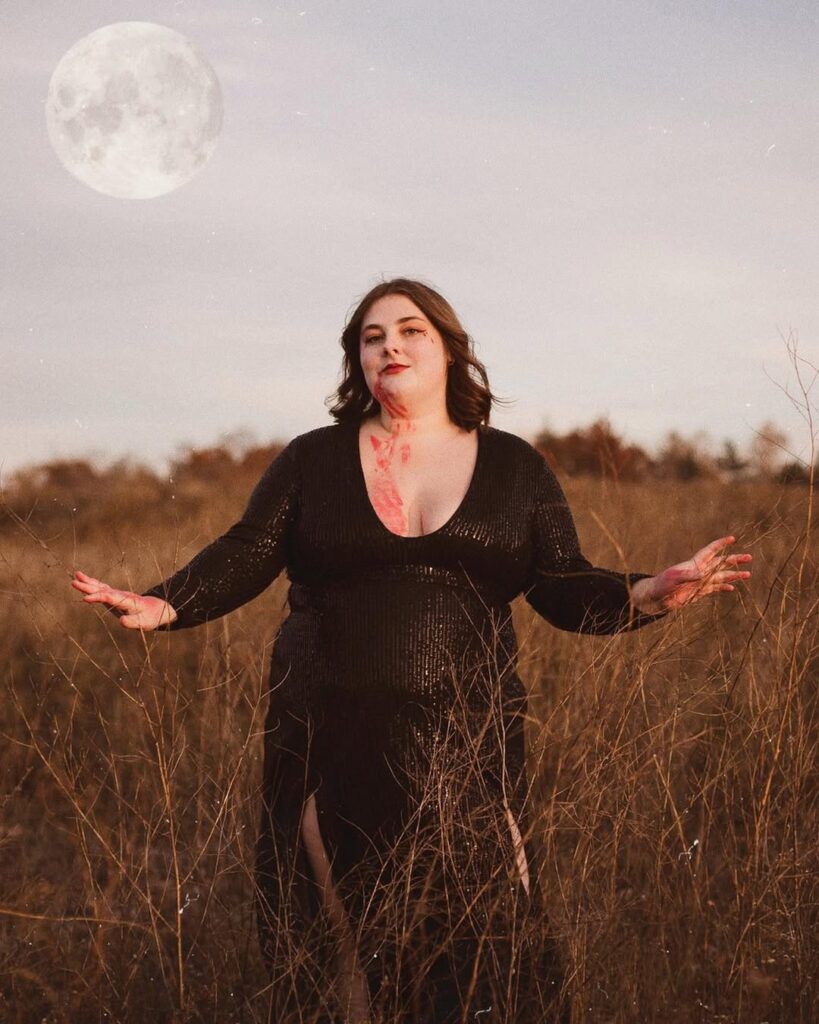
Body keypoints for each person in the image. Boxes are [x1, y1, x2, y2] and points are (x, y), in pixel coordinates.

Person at [71, 278, 751, 1023]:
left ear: (450, 350)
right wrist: (166, 602)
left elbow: (561, 583)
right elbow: (247, 550)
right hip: (327, 740)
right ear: (356, 359)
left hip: (467, 746)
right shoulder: (312, 460)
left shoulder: (515, 467)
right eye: (372, 337)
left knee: (488, 950)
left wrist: (646, 592)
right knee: (336, 951)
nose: (389, 345)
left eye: (409, 330)